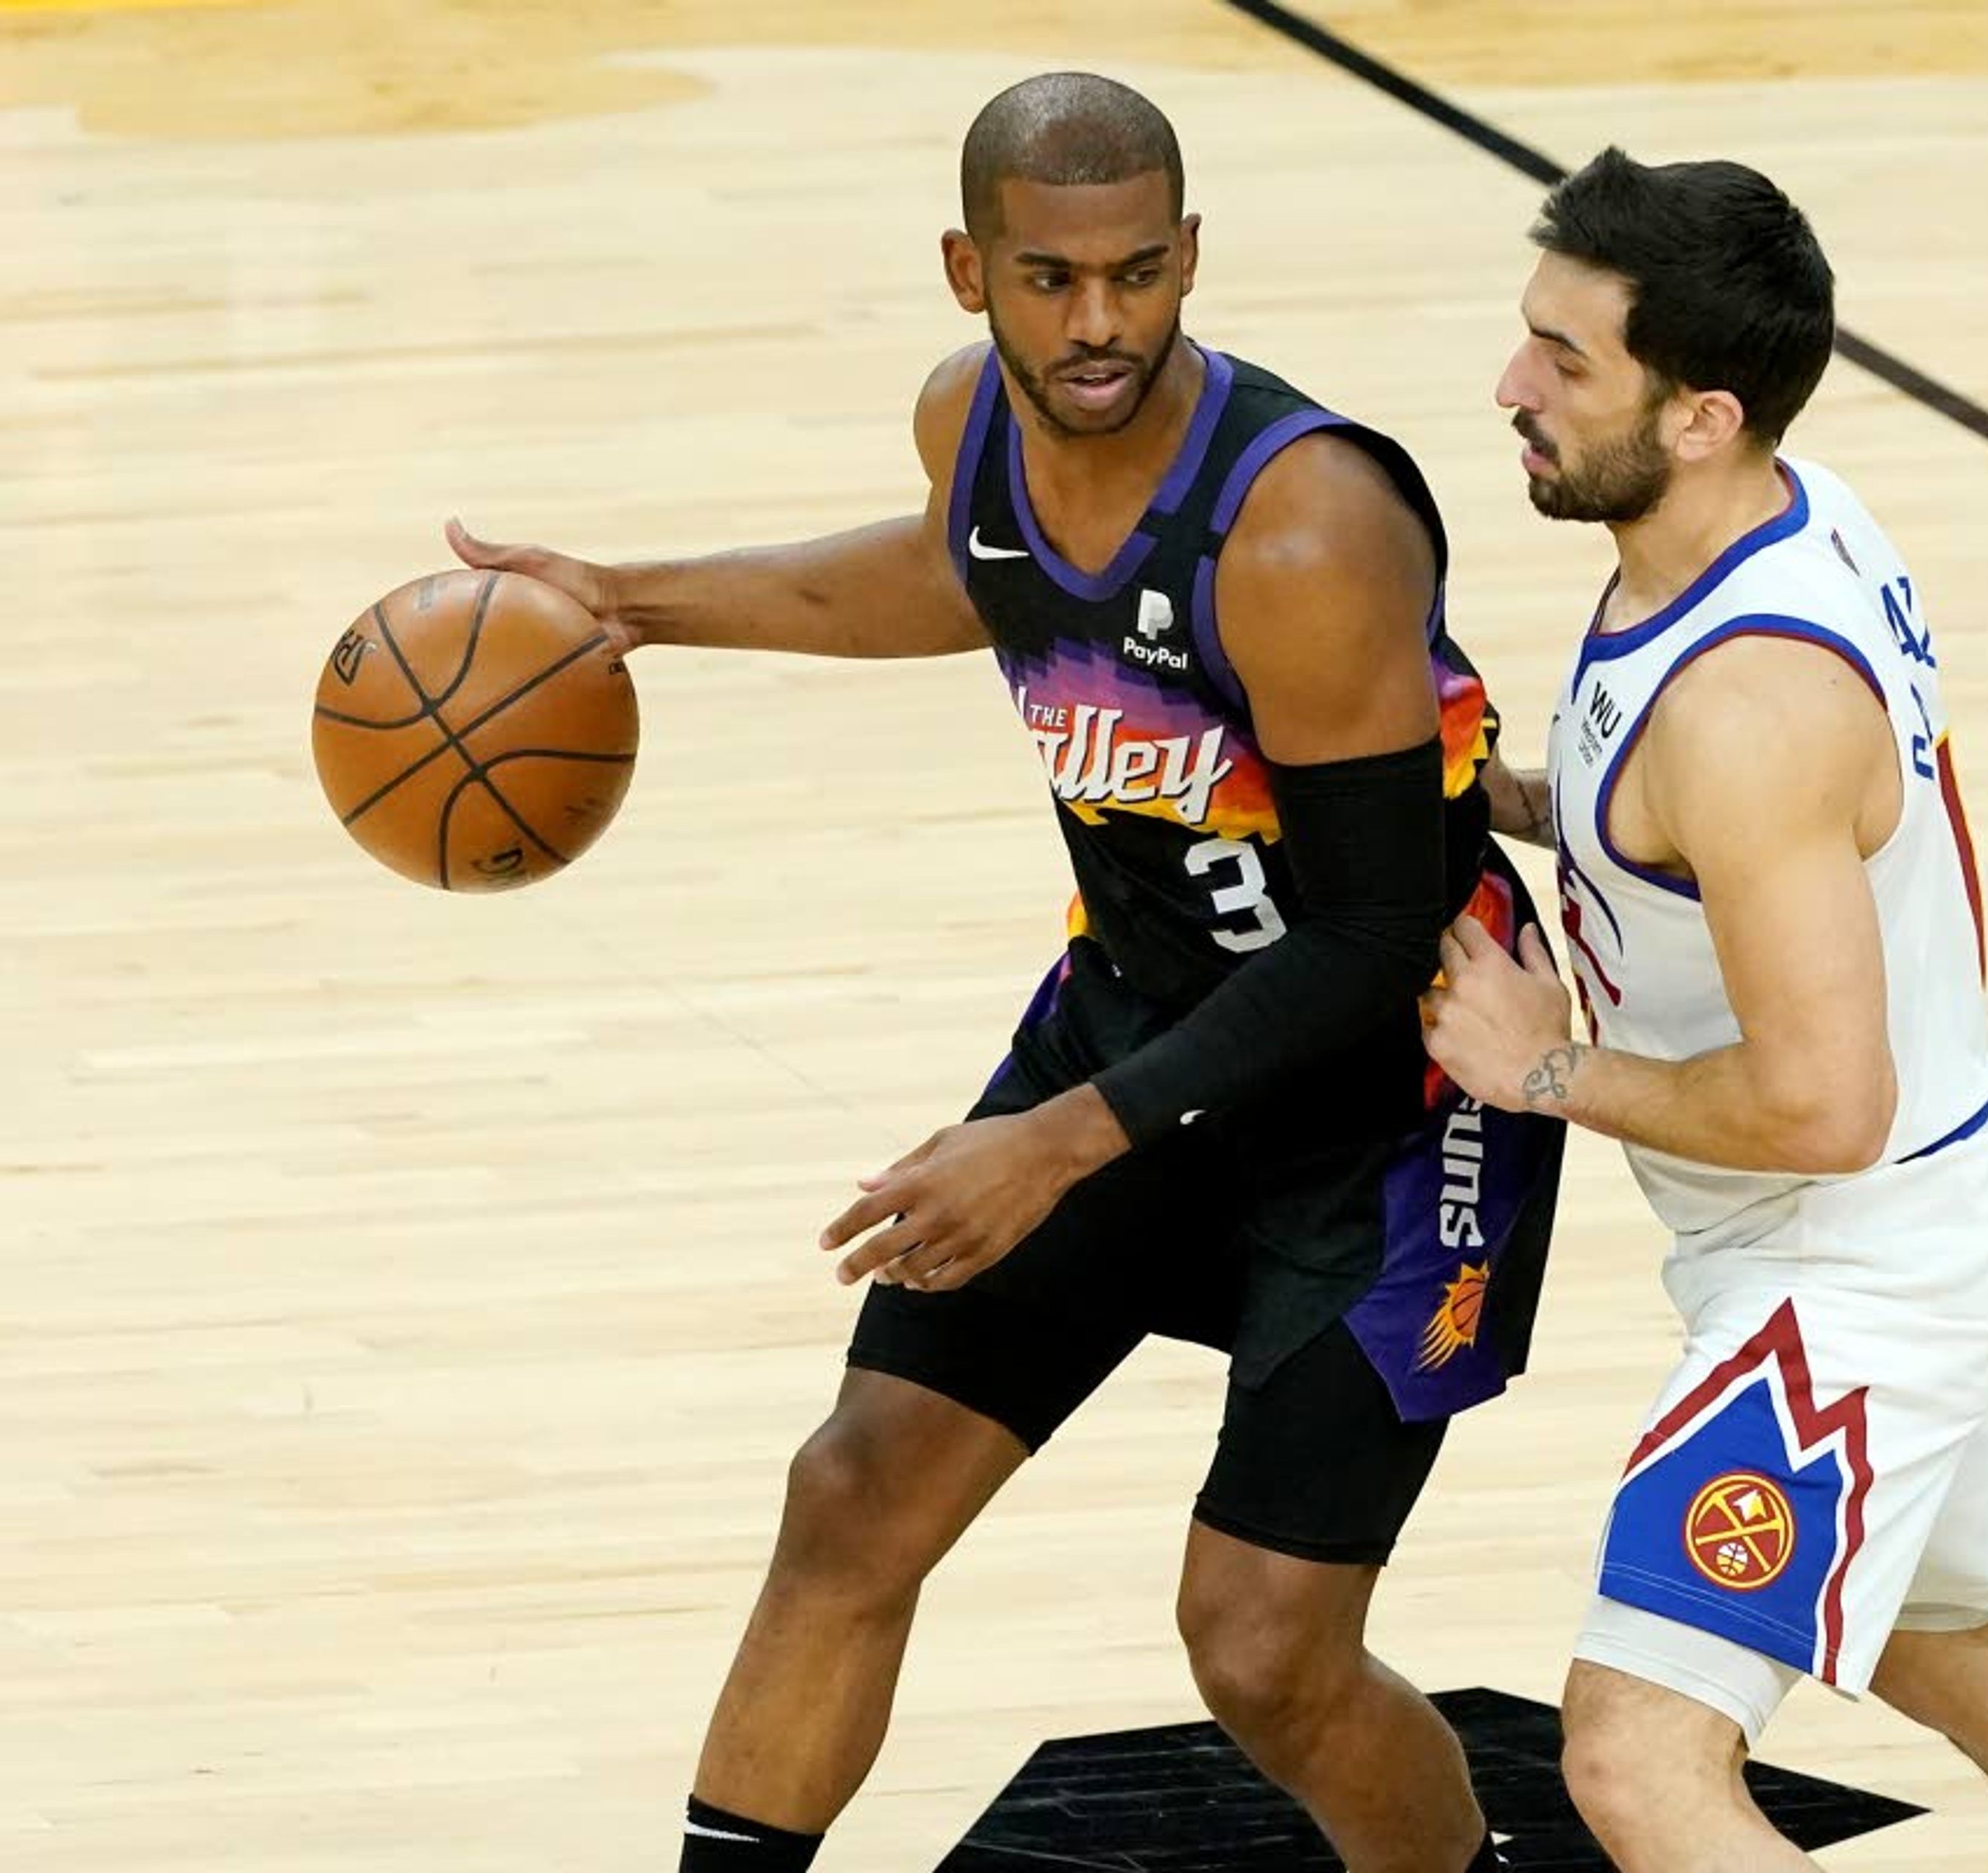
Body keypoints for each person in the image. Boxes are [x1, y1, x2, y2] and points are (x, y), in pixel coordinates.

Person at [451, 72, 1562, 1873]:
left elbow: (1366, 943)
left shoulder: (1301, 531)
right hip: (1139, 1023)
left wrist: (1052, 1144)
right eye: (1052, 278)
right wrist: (636, 601)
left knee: (1265, 1652)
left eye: (1137, 271)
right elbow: (957, 576)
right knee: (853, 1490)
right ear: (971, 271)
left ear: (1191, 253)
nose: (1100, 321)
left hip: (1388, 1093)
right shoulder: (968, 424)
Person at [1429, 148, 1988, 1873]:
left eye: (1567, 363)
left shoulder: (1753, 706)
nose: (1513, 387)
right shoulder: (1777, 515)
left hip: (1846, 1254)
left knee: (1640, 1757)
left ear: (1706, 412)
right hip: (1905, 1200)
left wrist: (1543, 1063)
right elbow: (1713, 831)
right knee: (1970, 1655)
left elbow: (1819, 1102)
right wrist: (1494, 789)